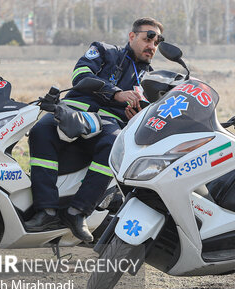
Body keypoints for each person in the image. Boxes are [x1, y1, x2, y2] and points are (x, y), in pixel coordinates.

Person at [25, 17, 164, 241]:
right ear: (132, 36)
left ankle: (78, 212)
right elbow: (81, 75)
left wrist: (135, 118)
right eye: (148, 37)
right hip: (73, 111)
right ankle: (46, 211)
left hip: (108, 125)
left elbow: (148, 117)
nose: (152, 45)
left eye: (157, 42)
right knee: (42, 129)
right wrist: (115, 93)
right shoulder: (103, 50)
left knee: (115, 145)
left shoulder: (152, 79)